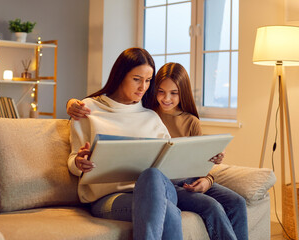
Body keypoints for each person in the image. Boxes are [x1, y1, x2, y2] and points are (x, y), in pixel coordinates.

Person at [67, 61, 248, 240]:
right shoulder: (88, 109)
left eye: (147, 81)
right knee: (169, 200)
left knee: (230, 201)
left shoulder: (151, 116)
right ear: (120, 76)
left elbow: (184, 161)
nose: (143, 87)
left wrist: (209, 172)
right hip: (114, 194)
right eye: (138, 79)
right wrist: (72, 104)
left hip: (169, 183)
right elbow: (75, 158)